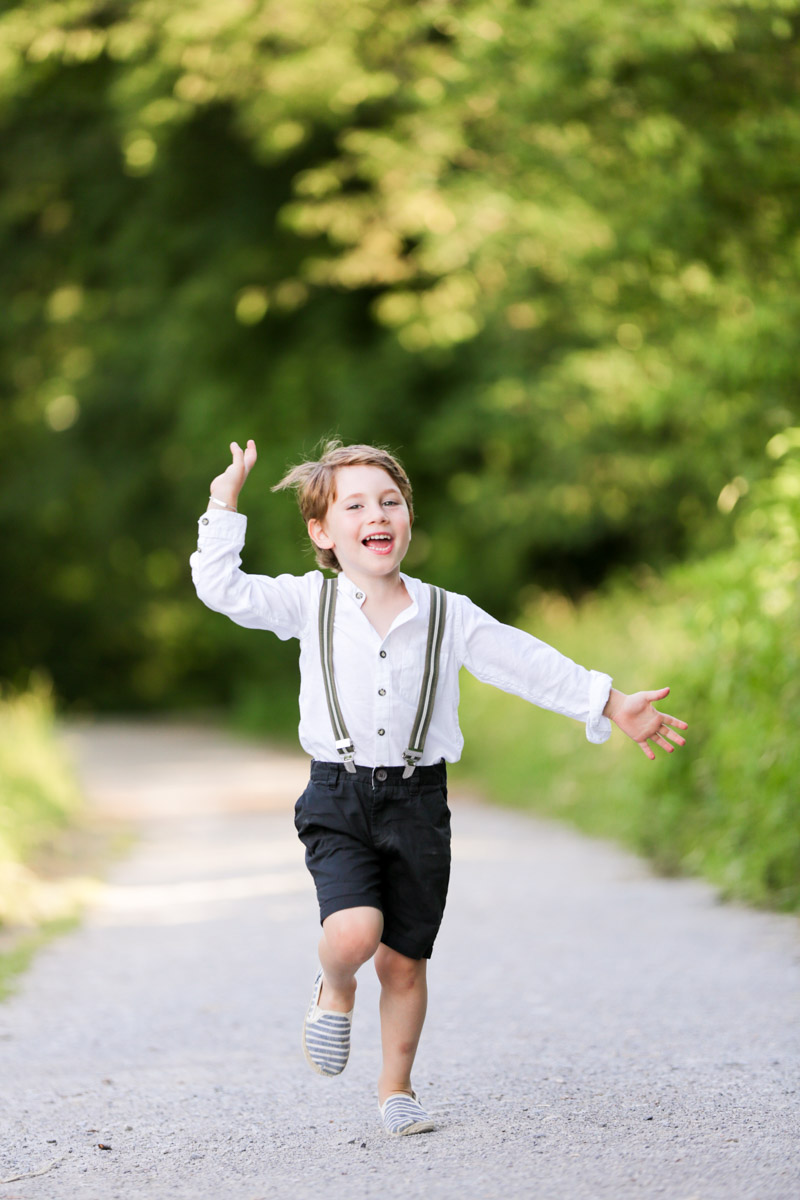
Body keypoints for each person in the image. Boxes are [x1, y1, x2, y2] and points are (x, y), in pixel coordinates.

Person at [190, 437, 687, 1138]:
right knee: (356, 933)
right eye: (355, 504)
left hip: (420, 802)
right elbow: (222, 589)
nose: (377, 513)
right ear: (322, 532)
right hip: (339, 794)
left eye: (390, 500)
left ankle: (397, 1088)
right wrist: (224, 501)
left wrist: (609, 703)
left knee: (404, 961)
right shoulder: (308, 602)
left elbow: (525, 661)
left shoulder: (448, 614)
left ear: (407, 519)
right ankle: (334, 986)